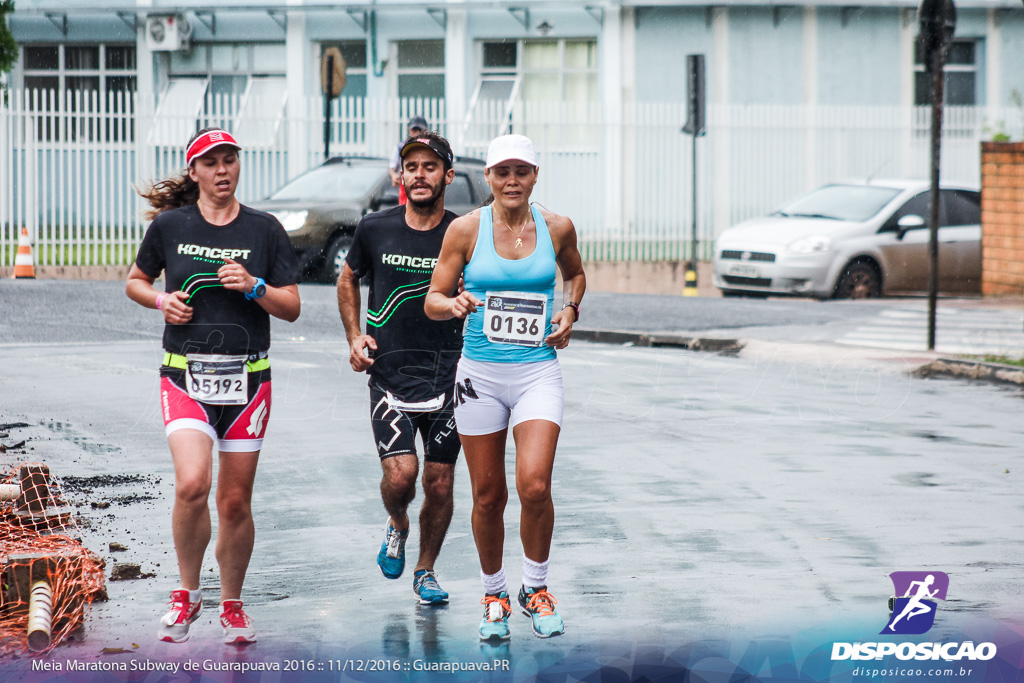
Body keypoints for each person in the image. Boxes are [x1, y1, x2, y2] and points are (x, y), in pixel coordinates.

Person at [126, 128, 301, 645]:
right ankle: (185, 594)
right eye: (212, 163)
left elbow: (291, 306)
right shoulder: (170, 225)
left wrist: (256, 287)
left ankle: (232, 604)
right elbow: (135, 281)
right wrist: (162, 302)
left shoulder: (265, 229)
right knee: (192, 483)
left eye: (230, 161)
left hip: (248, 380)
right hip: (185, 373)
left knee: (234, 502)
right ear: (194, 172)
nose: (223, 170)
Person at [424, 134, 586, 641]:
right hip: (480, 376)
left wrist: (569, 310)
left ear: (535, 175)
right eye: (502, 172)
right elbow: (432, 297)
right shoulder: (465, 231)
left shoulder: (557, 226)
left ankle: (535, 588)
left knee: (535, 484)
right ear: (488, 178)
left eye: (521, 171)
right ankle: (494, 594)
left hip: (537, 368)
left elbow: (576, 276)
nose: (511, 181)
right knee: (488, 494)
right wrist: (451, 305)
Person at [338, 130, 463, 605]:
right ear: (400, 176)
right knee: (401, 478)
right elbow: (348, 278)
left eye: (430, 167)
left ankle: (426, 570)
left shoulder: (462, 232)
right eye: (412, 167)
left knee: (440, 480)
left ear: (447, 176)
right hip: (390, 375)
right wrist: (355, 337)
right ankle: (397, 523)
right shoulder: (376, 228)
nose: (420, 175)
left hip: (450, 376)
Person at [389, 115, 429, 206]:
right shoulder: (401, 147)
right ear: (409, 130)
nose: (417, 133)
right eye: (414, 130)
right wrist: (394, 176)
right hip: (407, 189)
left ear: (426, 130)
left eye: (420, 130)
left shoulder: (433, 148)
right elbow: (392, 168)